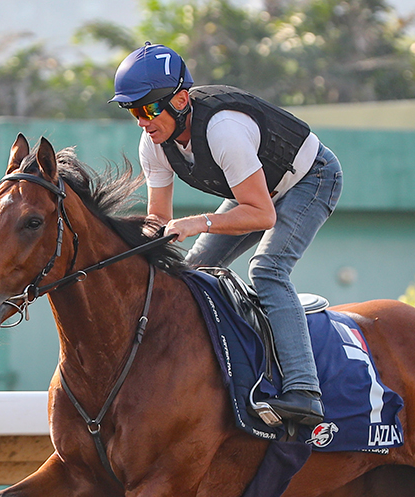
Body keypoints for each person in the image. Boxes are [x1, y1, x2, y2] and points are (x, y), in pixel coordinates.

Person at [110, 43, 343, 429]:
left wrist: (197, 222)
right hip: (259, 191)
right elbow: (158, 222)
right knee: (190, 271)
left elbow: (262, 215)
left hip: (311, 179)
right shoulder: (152, 144)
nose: (142, 121)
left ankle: (304, 390)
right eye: (133, 111)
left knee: (267, 270)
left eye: (149, 108)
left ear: (181, 100)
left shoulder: (223, 131)